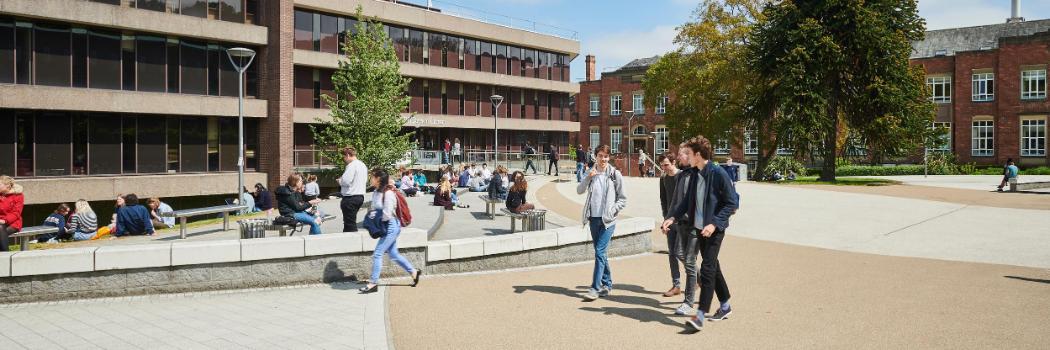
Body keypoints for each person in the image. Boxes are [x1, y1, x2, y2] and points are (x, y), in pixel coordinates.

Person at [660, 136, 739, 332]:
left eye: (688, 153)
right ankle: (726, 306)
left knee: (707, 268)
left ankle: (700, 315)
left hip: (714, 230)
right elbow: (687, 202)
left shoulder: (718, 173)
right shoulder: (696, 174)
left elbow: (732, 203)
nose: (685, 156)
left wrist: (714, 224)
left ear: (697, 155)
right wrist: (672, 218)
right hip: (699, 228)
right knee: (714, 267)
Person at [577, 144, 627, 301]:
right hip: (593, 219)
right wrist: (588, 177)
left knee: (599, 252)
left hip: (608, 221)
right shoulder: (590, 172)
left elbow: (623, 199)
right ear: (595, 156)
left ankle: (595, 288)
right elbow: (579, 190)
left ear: (609, 157)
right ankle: (607, 284)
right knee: (601, 253)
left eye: (606, 156)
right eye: (600, 155)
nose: (603, 159)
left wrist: (612, 211)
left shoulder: (614, 174)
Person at [359, 168, 421, 293]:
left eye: (372, 177)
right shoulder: (376, 192)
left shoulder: (388, 193)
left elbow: (387, 214)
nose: (370, 179)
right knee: (393, 254)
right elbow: (375, 209)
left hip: (390, 226)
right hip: (385, 225)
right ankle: (413, 272)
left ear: (378, 179)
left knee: (377, 253)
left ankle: (373, 283)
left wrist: (374, 221)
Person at [658, 154, 683, 300]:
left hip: (682, 221)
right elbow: (663, 199)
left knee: (681, 253)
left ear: (674, 162)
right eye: (662, 165)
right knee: (672, 253)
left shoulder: (683, 176)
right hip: (669, 221)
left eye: (666, 165)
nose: (664, 168)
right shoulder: (663, 178)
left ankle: (699, 278)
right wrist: (665, 219)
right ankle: (676, 285)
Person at [338, 147, 368, 232]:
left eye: (343, 157)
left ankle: (353, 242)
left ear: (347, 155)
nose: (344, 159)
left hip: (350, 197)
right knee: (350, 221)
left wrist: (340, 180)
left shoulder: (351, 165)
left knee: (349, 224)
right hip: (360, 195)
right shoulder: (362, 165)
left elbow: (346, 181)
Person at [0, 175, 23, 251]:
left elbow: (16, 213)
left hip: (13, 223)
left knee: (0, 228)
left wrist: (5, 220)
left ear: (7, 186)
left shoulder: (18, 195)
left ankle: (5, 254)